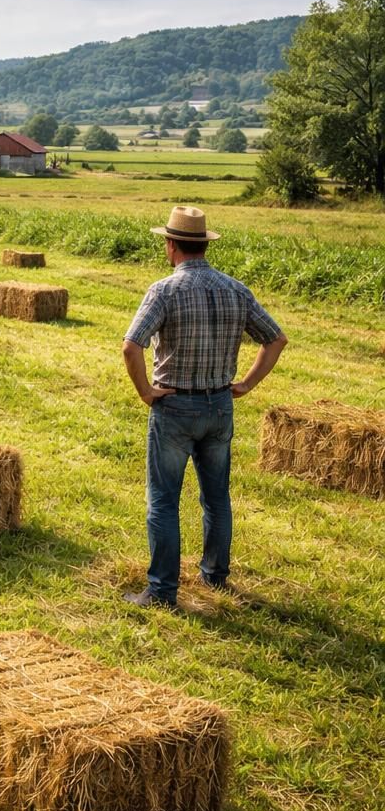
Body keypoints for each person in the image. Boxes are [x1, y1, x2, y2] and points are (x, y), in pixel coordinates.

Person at [120, 205, 288, 609]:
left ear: (172, 245)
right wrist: (245, 383)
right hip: (219, 407)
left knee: (163, 500)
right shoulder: (236, 289)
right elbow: (276, 340)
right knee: (216, 498)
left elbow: (131, 346)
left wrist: (146, 392)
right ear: (202, 245)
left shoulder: (164, 290)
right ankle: (215, 576)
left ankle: (161, 591)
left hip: (174, 407)